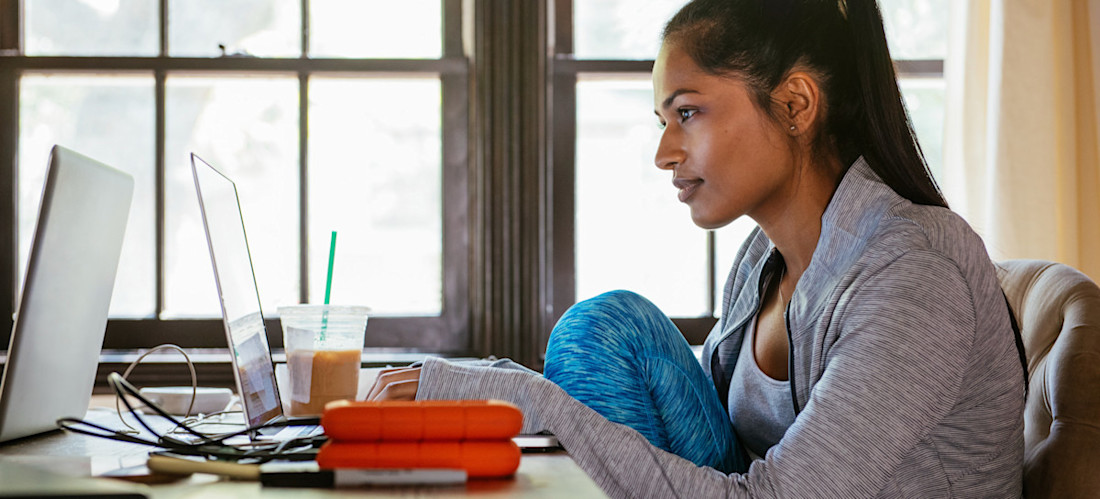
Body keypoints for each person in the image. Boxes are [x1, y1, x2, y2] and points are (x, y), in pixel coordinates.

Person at [367, 0, 1027, 496]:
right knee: (604, 327)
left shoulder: (916, 272)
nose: (664, 153)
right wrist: (494, 391)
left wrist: (519, 398)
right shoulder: (761, 263)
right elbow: (699, 447)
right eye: (662, 121)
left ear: (796, 103)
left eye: (687, 113)